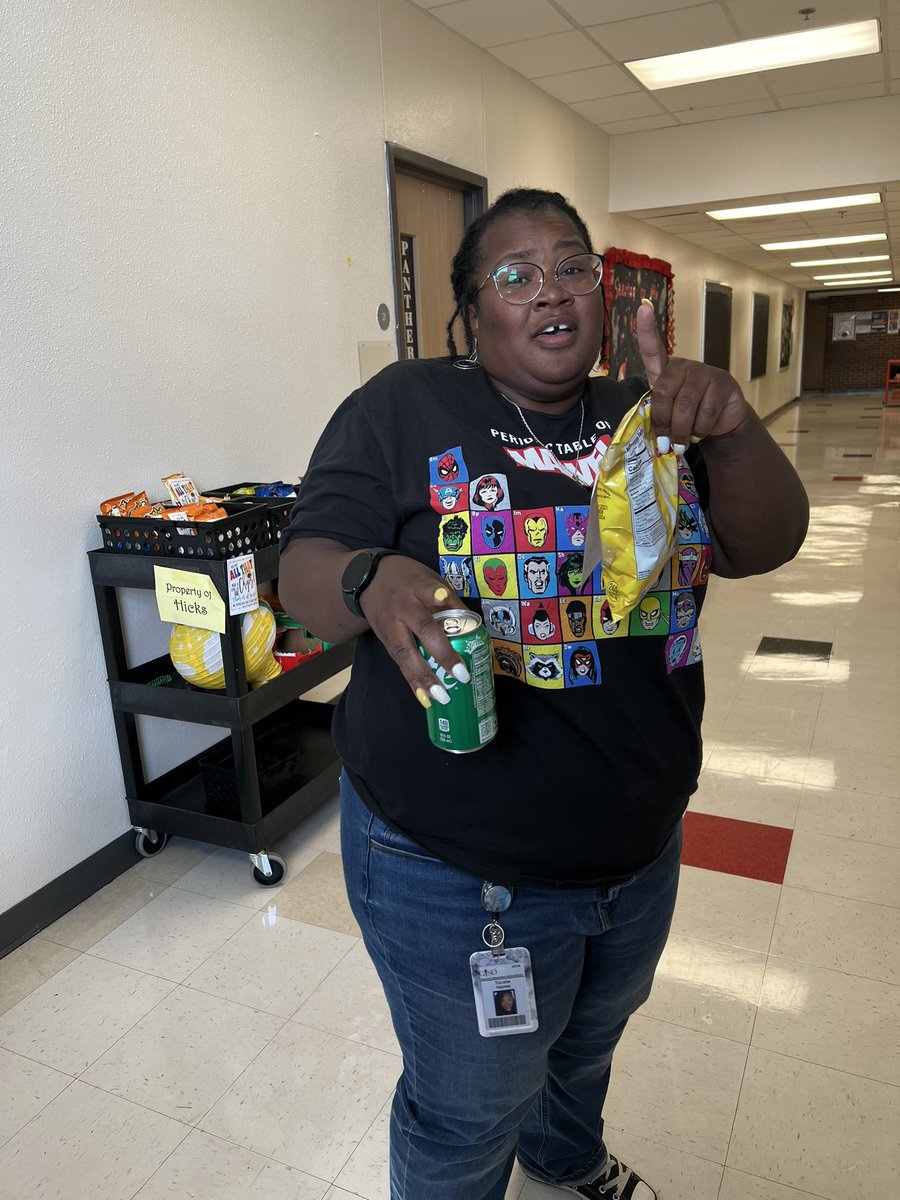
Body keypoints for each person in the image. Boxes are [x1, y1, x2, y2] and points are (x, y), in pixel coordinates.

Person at [278, 187, 809, 1200]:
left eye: (571, 267)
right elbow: (301, 566)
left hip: (640, 847)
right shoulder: (402, 408)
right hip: (454, 868)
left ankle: (563, 1160)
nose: (550, 291)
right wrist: (368, 577)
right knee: (467, 1107)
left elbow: (765, 541)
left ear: (604, 297)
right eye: (514, 276)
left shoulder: (648, 416)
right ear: (470, 314)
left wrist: (732, 427)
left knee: (588, 1047)